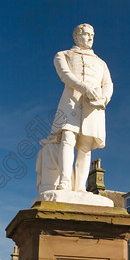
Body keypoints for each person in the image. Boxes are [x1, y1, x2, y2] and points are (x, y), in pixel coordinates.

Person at [36, 23, 113, 193]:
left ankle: (80, 187)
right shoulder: (63, 55)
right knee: (67, 139)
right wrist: (84, 87)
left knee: (86, 147)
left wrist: (103, 99)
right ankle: (64, 182)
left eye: (92, 35)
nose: (90, 38)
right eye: (86, 34)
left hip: (94, 107)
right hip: (71, 102)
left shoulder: (101, 63)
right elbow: (65, 75)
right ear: (76, 36)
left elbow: (108, 84)